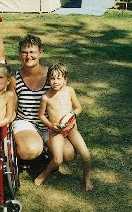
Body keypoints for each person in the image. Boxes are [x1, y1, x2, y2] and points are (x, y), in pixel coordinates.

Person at [9, 35, 75, 166]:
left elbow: (65, 101)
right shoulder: (14, 78)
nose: (28, 56)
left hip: (50, 124)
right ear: (19, 54)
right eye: (24, 52)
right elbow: (12, 104)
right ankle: (35, 149)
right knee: (29, 151)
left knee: (68, 154)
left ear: (40, 52)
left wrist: (66, 122)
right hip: (25, 122)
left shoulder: (52, 76)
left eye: (32, 52)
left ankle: (44, 149)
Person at [35, 63, 93, 191]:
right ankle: (45, 173)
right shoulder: (46, 97)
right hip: (55, 131)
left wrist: (72, 116)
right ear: (48, 79)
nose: (55, 82)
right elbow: (41, 116)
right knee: (58, 159)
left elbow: (78, 107)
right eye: (52, 78)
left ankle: (87, 179)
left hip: (72, 129)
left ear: (65, 80)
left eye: (59, 78)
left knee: (86, 156)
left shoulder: (69, 91)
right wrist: (51, 125)